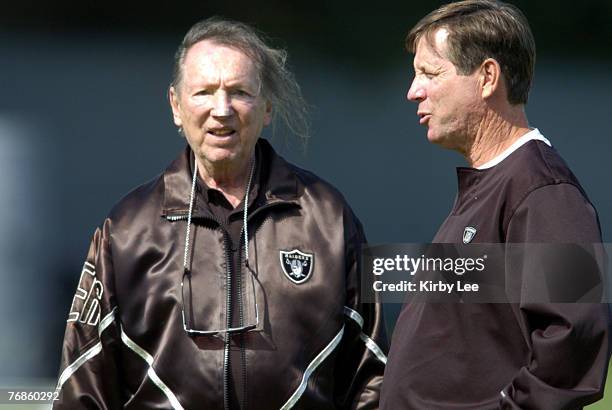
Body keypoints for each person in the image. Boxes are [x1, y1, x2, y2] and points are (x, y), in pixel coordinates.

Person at [53, 18, 387, 410]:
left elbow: (374, 373)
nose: (222, 109)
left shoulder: (329, 217)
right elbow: (83, 384)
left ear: (267, 108)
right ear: (176, 106)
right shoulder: (127, 229)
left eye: (240, 92)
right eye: (204, 92)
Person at [380, 1, 610, 409]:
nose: (413, 91)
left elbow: (575, 332)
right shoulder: (496, 182)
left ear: (487, 77)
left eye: (430, 73)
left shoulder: (543, 189)